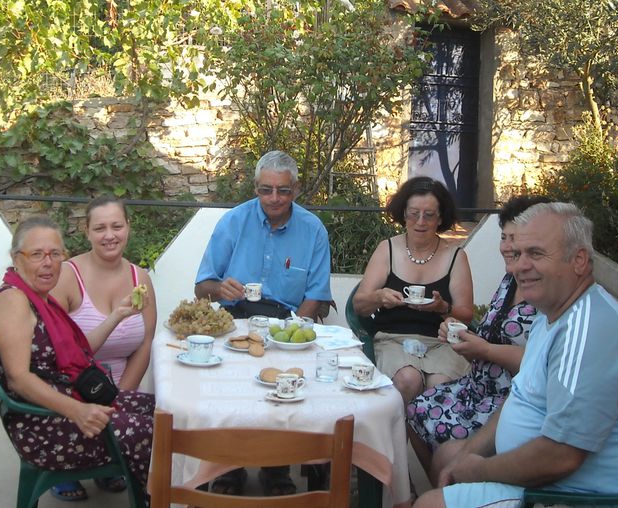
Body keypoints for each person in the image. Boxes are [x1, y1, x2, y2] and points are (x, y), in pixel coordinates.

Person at [414, 202, 618, 508]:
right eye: (518, 254)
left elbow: (561, 455)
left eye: (536, 253)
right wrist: (470, 453)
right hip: (553, 484)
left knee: (428, 504)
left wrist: (479, 470)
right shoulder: (553, 316)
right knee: (448, 460)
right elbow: (519, 396)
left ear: (579, 260)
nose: (520, 266)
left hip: (575, 497)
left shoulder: (587, 330)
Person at [0, 215, 154, 501]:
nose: (48, 262)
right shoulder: (13, 302)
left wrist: (118, 315)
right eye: (36, 254)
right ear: (15, 258)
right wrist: (77, 411)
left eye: (55, 254)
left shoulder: (39, 298)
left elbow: (80, 352)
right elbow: (19, 379)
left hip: (69, 403)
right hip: (47, 427)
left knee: (164, 410)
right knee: (159, 429)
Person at [194, 150, 333, 496]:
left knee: (284, 389)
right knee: (227, 388)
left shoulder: (312, 229)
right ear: (256, 187)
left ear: (296, 189)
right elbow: (201, 287)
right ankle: (229, 465)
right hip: (233, 317)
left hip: (286, 321)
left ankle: (276, 466)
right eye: (266, 190)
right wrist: (219, 287)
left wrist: (290, 335)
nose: (274, 198)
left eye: (283, 191)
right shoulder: (233, 222)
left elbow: (316, 295)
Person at [406, 195, 550, 483]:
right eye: (504, 237)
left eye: (516, 238)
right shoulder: (511, 280)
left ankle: (451, 491)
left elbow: (541, 361)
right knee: (414, 410)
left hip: (508, 399)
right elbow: (491, 338)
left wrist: (483, 348)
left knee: (445, 445)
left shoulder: (546, 290)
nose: (508, 247)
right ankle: (446, 490)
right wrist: (462, 338)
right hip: (478, 387)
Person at [49, 196, 157, 499]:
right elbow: (60, 353)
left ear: (128, 228)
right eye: (100, 228)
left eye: (116, 226)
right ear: (86, 231)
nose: (109, 235)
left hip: (120, 389)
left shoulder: (141, 278)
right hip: (74, 393)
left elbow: (145, 342)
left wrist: (121, 394)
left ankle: (111, 462)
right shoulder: (67, 276)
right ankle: (68, 466)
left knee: (165, 418)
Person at [352, 176, 475, 402]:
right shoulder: (387, 249)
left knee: (440, 385)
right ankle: (403, 436)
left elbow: (467, 314)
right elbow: (359, 305)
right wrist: (379, 297)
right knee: (408, 380)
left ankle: (430, 435)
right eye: (413, 213)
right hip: (393, 338)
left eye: (429, 215)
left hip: (441, 342)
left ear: (440, 218)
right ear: (404, 214)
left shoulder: (455, 256)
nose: (420, 222)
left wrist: (443, 308)